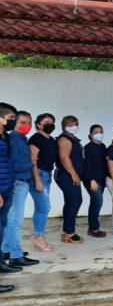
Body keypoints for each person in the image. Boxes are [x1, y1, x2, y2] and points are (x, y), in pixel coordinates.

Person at [2, 111, 40, 267]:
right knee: (15, 221)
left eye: (29, 122)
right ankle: (16, 256)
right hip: (17, 182)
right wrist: (31, 163)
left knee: (11, 221)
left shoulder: (20, 139)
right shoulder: (14, 140)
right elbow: (13, 164)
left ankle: (6, 250)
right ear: (15, 123)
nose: (27, 125)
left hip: (21, 182)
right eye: (23, 122)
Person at [28, 113, 58, 251]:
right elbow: (32, 160)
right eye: (46, 122)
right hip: (38, 175)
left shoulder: (51, 139)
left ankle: (40, 238)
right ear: (39, 125)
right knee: (44, 207)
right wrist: (37, 180)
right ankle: (38, 238)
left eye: (52, 122)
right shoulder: (36, 138)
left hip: (47, 175)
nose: (50, 124)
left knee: (40, 208)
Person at [55, 115, 85, 244]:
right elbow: (64, 157)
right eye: (70, 124)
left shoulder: (73, 139)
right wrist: (74, 174)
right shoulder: (64, 139)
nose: (74, 126)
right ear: (64, 126)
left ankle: (66, 232)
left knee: (71, 202)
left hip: (70, 175)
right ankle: (69, 232)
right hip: (66, 175)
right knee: (75, 201)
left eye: (75, 123)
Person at [0, 102, 18, 293]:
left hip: (6, 188)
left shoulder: (5, 137)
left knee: (1, 230)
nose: (12, 121)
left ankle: (0, 263)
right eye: (10, 118)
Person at [83, 125, 107, 238]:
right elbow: (87, 165)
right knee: (97, 201)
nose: (99, 134)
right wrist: (91, 180)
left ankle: (93, 227)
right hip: (92, 179)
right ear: (91, 135)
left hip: (102, 180)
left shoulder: (103, 146)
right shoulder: (88, 147)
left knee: (95, 202)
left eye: (101, 132)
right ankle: (93, 228)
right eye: (96, 132)